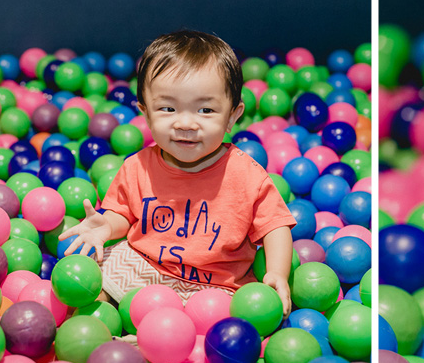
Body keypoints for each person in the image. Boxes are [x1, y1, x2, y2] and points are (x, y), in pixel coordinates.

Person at [58, 30, 296, 315]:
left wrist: (277, 273)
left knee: (232, 317)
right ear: (146, 113)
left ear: (233, 115)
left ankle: (165, 338)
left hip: (216, 284)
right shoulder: (138, 166)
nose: (185, 123)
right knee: (92, 277)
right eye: (168, 108)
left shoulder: (247, 175)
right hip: (144, 266)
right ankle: (100, 332)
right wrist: (107, 226)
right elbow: (123, 213)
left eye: (205, 110)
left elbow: (275, 226)